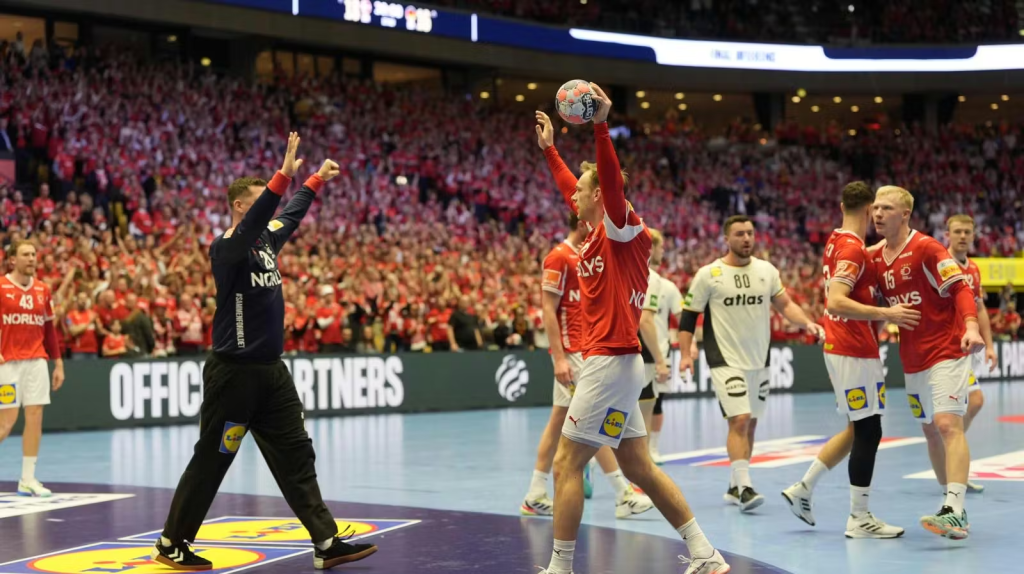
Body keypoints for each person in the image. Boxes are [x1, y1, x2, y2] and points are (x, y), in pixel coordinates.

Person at [151, 134, 378, 570]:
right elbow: (266, 214)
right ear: (240, 207)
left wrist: (314, 180)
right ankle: (171, 543)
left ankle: (325, 541)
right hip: (233, 375)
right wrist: (283, 175)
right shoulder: (227, 248)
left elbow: (289, 214)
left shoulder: (266, 242)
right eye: (260, 204)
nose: (268, 210)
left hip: (272, 374)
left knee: (297, 454)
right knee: (213, 460)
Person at [536, 85, 730, 574]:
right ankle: (705, 553)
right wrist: (551, 151)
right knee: (638, 465)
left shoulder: (623, 228)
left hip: (608, 362)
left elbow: (607, 184)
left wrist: (601, 126)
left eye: (582, 191)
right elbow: (575, 187)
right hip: (620, 364)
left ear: (600, 194)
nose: (572, 197)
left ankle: (560, 568)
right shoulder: (597, 229)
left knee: (566, 463)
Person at [781, 181, 919, 537]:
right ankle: (859, 518)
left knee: (857, 428)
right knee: (870, 430)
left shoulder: (837, 240)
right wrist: (887, 314)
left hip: (848, 347)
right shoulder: (853, 249)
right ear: (870, 209)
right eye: (877, 209)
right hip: (851, 348)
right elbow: (837, 301)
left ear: (842, 206)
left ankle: (803, 488)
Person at [678, 215, 825, 513]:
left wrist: (807, 323)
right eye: (739, 234)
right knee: (740, 419)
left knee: (751, 423)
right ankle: (745, 488)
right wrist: (684, 354)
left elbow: (785, 305)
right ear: (726, 239)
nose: (746, 238)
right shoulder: (709, 274)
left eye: (749, 233)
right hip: (724, 358)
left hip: (759, 359)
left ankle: (735, 486)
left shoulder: (766, 271)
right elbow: (688, 317)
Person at [521, 210, 653, 520]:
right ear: (581, 223)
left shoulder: (590, 254)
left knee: (560, 422)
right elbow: (548, 310)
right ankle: (623, 493)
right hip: (573, 353)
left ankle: (535, 494)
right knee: (592, 422)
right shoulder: (559, 257)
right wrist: (559, 358)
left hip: (588, 350)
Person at [870, 186, 985, 540]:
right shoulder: (875, 258)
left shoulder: (927, 248)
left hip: (947, 350)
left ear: (905, 214)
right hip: (913, 357)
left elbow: (962, 289)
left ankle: (955, 508)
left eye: (886, 208)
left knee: (948, 424)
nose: (877, 213)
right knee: (930, 430)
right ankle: (950, 505)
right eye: (875, 207)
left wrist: (971, 326)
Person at [0, 240, 65, 497]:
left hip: (37, 360)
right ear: (12, 259)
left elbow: (49, 330)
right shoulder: (1, 287)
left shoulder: (42, 290)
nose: (31, 258)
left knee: (35, 416)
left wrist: (58, 363)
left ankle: (27, 479)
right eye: (25, 254)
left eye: (33, 254)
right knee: (6, 423)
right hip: (7, 363)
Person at [943, 214, 996, 494]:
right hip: (943, 347)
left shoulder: (973, 268)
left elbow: (980, 308)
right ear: (947, 234)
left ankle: (953, 459)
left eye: (967, 232)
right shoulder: (940, 263)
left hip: (964, 348)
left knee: (974, 402)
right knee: (965, 406)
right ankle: (951, 460)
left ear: (974, 236)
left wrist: (990, 345)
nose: (962, 236)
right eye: (957, 231)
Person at [637, 228, 684, 464]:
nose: (663, 251)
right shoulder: (650, 278)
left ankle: (595, 463)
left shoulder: (619, 270)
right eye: (660, 247)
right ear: (650, 248)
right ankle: (640, 469)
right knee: (642, 414)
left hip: (617, 350)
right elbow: (645, 321)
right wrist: (660, 360)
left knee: (613, 413)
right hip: (645, 355)